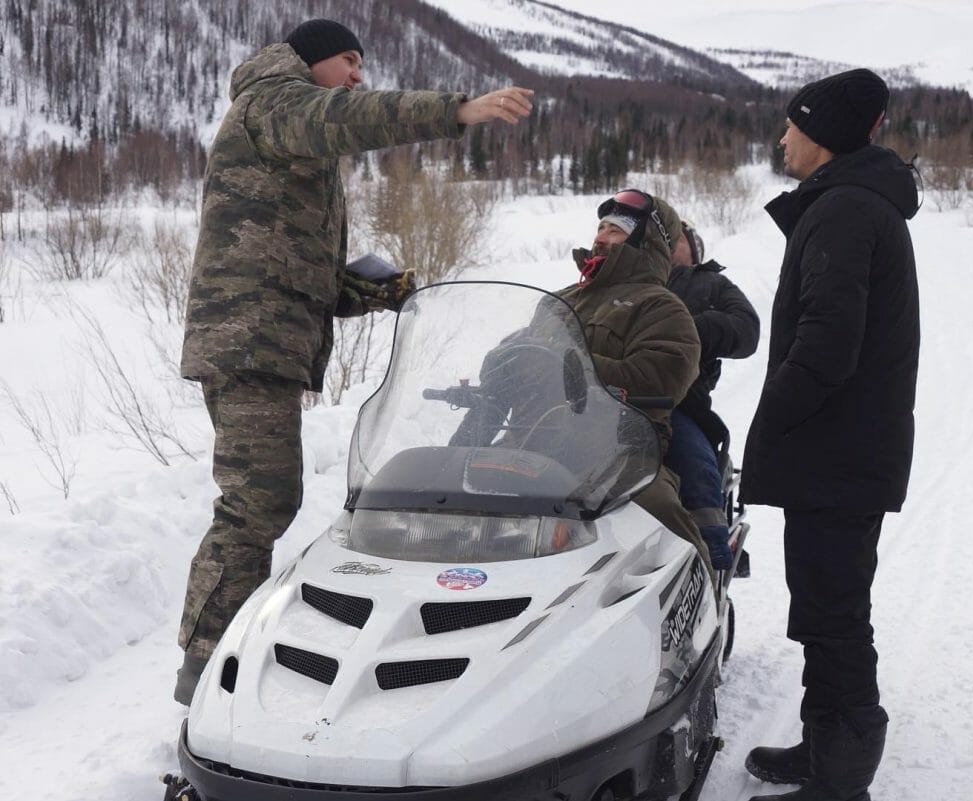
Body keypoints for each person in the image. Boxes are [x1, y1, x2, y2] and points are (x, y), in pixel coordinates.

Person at [174, 18, 534, 705]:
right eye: (349, 61)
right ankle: (207, 665)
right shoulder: (274, 103)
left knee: (261, 501)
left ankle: (218, 657)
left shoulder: (288, 131)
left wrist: (370, 289)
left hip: (264, 339)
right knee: (256, 504)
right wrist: (457, 110)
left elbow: (285, 261)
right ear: (312, 61)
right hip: (248, 346)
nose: (358, 75)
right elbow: (349, 116)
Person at [740, 69, 920, 801]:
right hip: (840, 454)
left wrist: (768, 421)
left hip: (839, 455)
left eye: (793, 126)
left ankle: (840, 781)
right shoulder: (849, 200)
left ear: (824, 136)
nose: (783, 137)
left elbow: (827, 344)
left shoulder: (846, 208)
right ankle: (823, 750)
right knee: (822, 605)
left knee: (837, 614)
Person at [556, 189, 710, 567]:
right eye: (601, 227)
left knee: (655, 507)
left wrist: (578, 367)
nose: (601, 236)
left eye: (617, 229)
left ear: (647, 242)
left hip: (621, 448)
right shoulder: (561, 298)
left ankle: (699, 585)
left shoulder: (661, 306)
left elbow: (663, 376)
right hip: (537, 441)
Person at [663, 219, 759, 569]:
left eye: (676, 237)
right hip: (609, 399)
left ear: (693, 248)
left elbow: (747, 330)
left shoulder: (710, 283)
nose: (668, 243)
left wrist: (694, 328)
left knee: (690, 455)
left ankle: (713, 547)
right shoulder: (624, 280)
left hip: (680, 400)